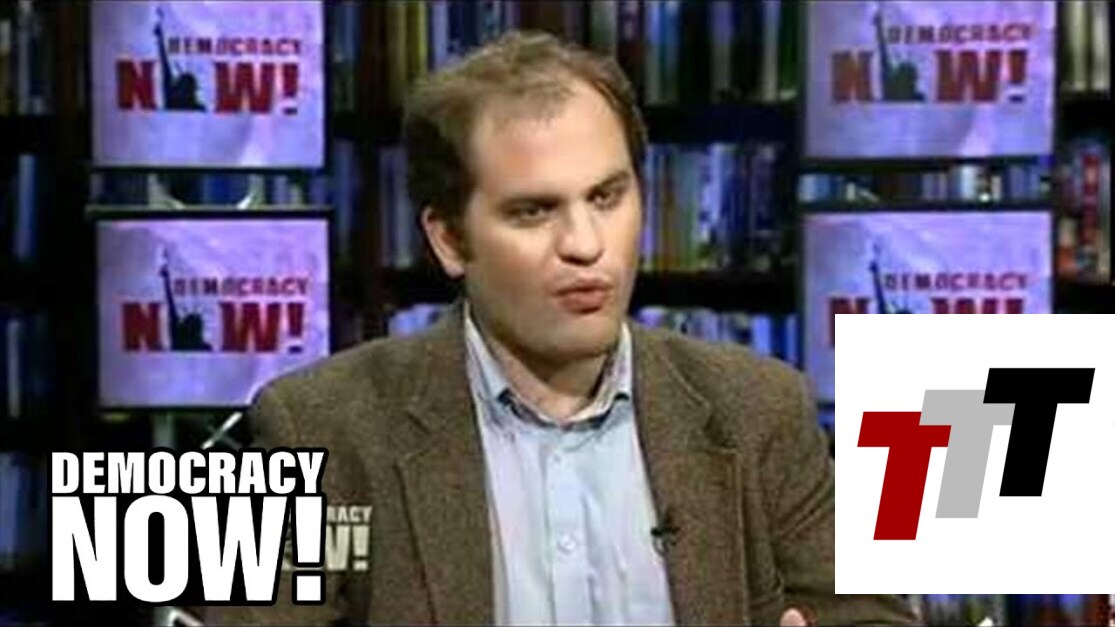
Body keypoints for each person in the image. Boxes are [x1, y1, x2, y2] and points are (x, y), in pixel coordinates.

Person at [204, 30, 917, 626]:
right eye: (533, 211)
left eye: (607, 197)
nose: (585, 243)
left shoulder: (760, 410)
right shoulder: (315, 429)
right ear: (449, 239)